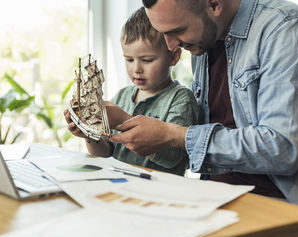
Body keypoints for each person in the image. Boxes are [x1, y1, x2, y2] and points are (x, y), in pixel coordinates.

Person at [109, 0, 298, 237]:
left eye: (177, 30)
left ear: (214, 4)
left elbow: (281, 149)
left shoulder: (286, 28)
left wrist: (175, 135)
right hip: (214, 202)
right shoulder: (203, 42)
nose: (170, 46)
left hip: (284, 208)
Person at [65, 7, 199, 176]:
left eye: (147, 60)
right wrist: (90, 135)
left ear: (173, 57)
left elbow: (173, 158)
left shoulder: (181, 99)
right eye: (129, 59)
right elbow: (105, 153)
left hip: (161, 192)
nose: (136, 69)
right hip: (120, 185)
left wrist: (122, 120)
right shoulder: (121, 96)